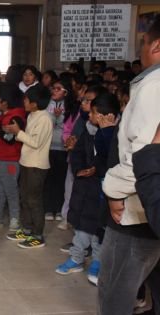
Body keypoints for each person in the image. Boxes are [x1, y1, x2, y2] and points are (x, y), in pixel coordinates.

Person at [100, 17, 160, 315]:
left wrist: (112, 189)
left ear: (156, 44)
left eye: (143, 44)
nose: (142, 51)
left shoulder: (154, 86)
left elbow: (145, 157)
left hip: (137, 212)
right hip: (150, 210)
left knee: (116, 292)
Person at [55, 93, 119, 287]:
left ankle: (98, 261)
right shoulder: (86, 129)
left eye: (92, 111)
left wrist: (96, 169)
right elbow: (78, 153)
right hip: (85, 186)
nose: (89, 114)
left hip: (101, 188)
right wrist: (79, 168)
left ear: (102, 114)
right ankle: (76, 258)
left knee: (100, 229)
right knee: (82, 225)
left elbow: (113, 160)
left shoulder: (115, 133)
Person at [4, 85, 52, 248]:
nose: (23, 101)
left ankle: (38, 235)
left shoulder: (44, 118)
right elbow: (27, 138)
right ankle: (27, 230)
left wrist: (18, 132)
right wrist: (14, 132)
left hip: (36, 166)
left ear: (35, 103)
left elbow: (36, 143)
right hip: (26, 162)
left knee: (34, 200)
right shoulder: (33, 115)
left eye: (26, 99)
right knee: (24, 198)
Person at [0, 82, 26, 231]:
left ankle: (15, 219)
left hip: (10, 160)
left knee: (11, 191)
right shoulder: (3, 116)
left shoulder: (16, 117)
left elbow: (10, 139)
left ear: (5, 102)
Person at [44, 78, 77, 222]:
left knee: (60, 180)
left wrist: (59, 117)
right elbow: (45, 124)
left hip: (63, 148)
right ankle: (48, 208)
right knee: (48, 179)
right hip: (48, 146)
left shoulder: (71, 106)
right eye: (53, 88)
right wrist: (54, 117)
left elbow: (68, 128)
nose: (54, 91)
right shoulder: (46, 104)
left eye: (58, 88)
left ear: (66, 92)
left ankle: (58, 209)